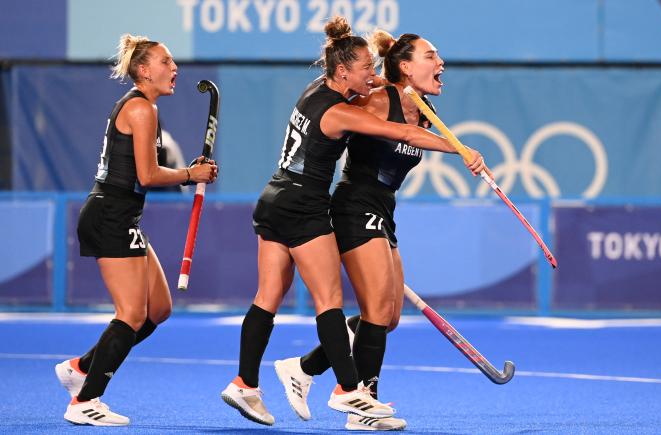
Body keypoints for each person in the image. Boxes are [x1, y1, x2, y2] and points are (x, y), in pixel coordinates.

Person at [220, 16, 487, 427]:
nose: (373, 75)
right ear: (344, 71)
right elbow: (403, 135)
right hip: (320, 205)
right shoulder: (343, 110)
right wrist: (459, 148)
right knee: (334, 302)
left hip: (280, 198)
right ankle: (353, 394)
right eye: (367, 69)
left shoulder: (324, 88)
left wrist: (378, 83)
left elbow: (382, 99)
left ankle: (257, 380)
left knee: (285, 297)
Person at [54, 34, 218, 426]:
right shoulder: (142, 109)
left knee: (157, 309)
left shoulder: (146, 109)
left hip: (123, 217)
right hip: (109, 215)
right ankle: (85, 400)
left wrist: (188, 171)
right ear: (143, 70)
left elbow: (144, 168)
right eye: (166, 62)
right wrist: (188, 175)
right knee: (130, 313)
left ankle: (80, 367)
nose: (174, 68)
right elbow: (146, 174)